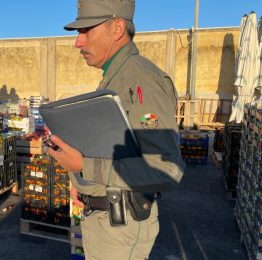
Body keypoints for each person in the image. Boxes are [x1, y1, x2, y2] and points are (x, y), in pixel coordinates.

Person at [46, 0, 185, 259]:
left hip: (120, 227)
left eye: (86, 30)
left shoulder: (141, 79)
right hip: (104, 219)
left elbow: (165, 170)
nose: (78, 42)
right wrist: (82, 183)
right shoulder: (116, 77)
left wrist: (83, 166)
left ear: (117, 28)